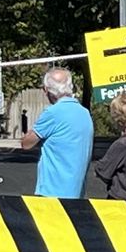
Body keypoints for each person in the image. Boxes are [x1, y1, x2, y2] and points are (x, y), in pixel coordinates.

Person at [21, 67, 93, 198]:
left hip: (52, 191)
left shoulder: (53, 113)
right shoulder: (85, 113)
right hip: (77, 190)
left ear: (47, 90)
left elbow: (26, 143)